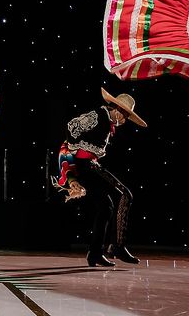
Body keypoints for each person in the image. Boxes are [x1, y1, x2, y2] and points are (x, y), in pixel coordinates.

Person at [53, 88, 147, 267]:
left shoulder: (109, 122)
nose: (125, 120)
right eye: (125, 116)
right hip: (84, 165)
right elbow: (71, 126)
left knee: (106, 207)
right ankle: (117, 246)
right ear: (118, 110)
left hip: (91, 165)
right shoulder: (99, 115)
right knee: (125, 194)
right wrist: (73, 151)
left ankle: (95, 253)